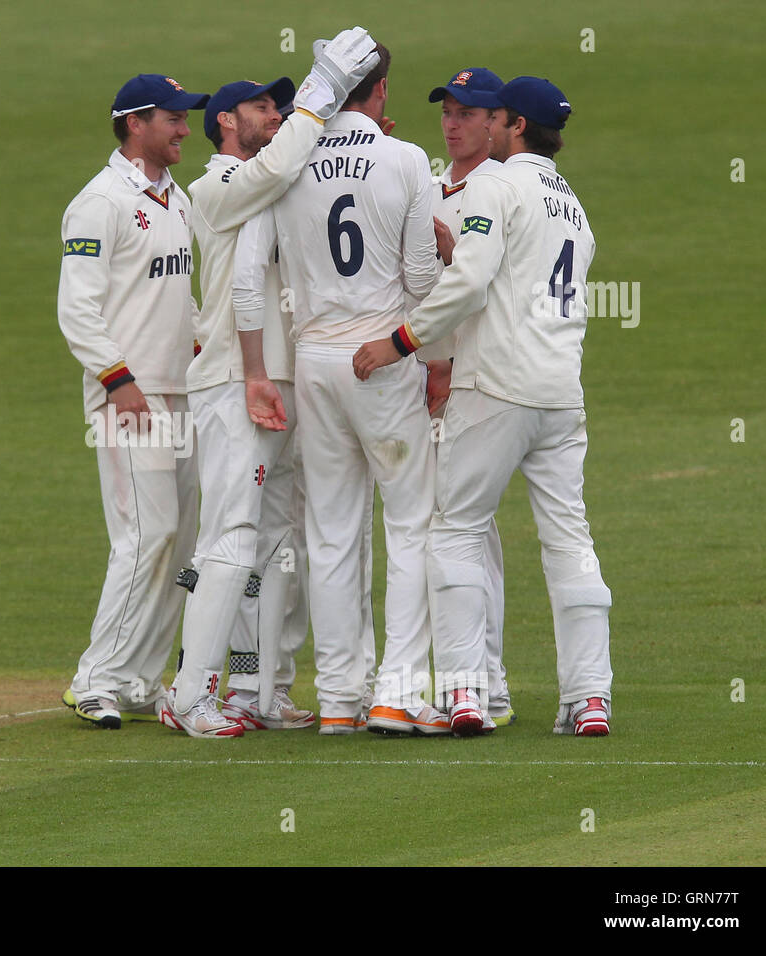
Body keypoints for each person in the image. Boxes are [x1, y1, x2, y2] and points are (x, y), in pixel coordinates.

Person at [353, 77, 612, 737]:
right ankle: (589, 699)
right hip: (562, 393)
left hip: (495, 384)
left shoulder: (496, 185)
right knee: (570, 541)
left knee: (457, 529)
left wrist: (402, 342)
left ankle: (468, 693)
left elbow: (469, 283)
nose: (481, 126)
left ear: (514, 125)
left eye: (493, 117)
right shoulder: (574, 204)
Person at [160, 28, 384, 738]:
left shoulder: (278, 179)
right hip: (233, 380)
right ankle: (190, 692)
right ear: (226, 121)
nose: (276, 114)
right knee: (230, 538)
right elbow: (274, 171)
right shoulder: (216, 184)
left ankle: (258, 686)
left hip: (288, 380)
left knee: (280, 541)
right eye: (263, 105)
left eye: (282, 104)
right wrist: (323, 92)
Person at [238, 43, 448, 735]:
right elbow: (421, 280)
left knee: (328, 531)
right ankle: (395, 691)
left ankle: (338, 699)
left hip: (313, 359)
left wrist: (259, 366)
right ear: (380, 91)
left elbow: (252, 273)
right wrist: (428, 349)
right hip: (381, 357)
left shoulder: (289, 161)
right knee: (411, 522)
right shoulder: (407, 159)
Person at [57, 75, 210, 729]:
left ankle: (142, 677)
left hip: (179, 392)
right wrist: (119, 381)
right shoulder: (99, 203)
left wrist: (207, 346)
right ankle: (94, 678)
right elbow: (77, 309)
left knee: (179, 541)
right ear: (136, 123)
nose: (184, 130)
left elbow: (181, 298)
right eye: (174, 119)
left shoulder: (175, 199)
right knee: (146, 534)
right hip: (130, 396)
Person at [411, 67, 515, 729]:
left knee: (464, 535)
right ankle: (476, 681)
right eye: (447, 111)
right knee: (450, 532)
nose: (453, 123)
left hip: (465, 383)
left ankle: (480, 682)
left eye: (468, 113)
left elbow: (481, 289)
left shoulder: (498, 192)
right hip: (413, 387)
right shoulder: (424, 179)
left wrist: (437, 364)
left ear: (497, 121)